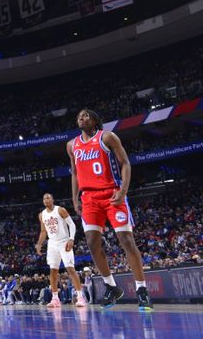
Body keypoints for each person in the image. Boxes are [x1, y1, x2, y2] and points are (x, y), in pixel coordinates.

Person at [68, 109, 152, 310]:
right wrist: (74, 198)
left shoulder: (107, 137)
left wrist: (123, 190)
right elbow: (74, 173)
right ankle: (111, 286)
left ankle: (142, 290)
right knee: (91, 242)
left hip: (112, 194)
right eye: (79, 116)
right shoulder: (71, 145)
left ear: (95, 120)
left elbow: (125, 163)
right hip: (88, 198)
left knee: (126, 240)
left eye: (86, 115)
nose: (82, 117)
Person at [35, 193, 86, 308]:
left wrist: (71, 239)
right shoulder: (41, 215)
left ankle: (80, 297)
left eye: (48, 197)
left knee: (70, 269)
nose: (46, 200)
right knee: (53, 271)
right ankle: (55, 299)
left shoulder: (60, 210)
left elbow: (72, 225)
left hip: (64, 241)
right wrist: (39, 244)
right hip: (52, 243)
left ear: (52, 199)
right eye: (44, 198)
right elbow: (43, 231)